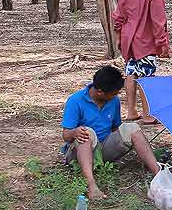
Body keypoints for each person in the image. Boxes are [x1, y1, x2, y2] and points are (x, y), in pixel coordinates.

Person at [62, 66, 162, 200]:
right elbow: (66, 135)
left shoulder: (113, 101)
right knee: (87, 133)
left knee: (132, 127)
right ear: (100, 92)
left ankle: (158, 174)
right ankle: (92, 186)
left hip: (104, 149)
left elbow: (116, 128)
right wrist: (75, 132)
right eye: (113, 93)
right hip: (80, 152)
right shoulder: (75, 101)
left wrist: (130, 140)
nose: (116, 96)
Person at [111, 0, 171, 125]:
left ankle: (131, 111)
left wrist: (118, 38)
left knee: (131, 73)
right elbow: (158, 21)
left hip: (128, 40)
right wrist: (163, 44)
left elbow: (118, 17)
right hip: (146, 41)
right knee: (147, 76)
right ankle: (148, 114)